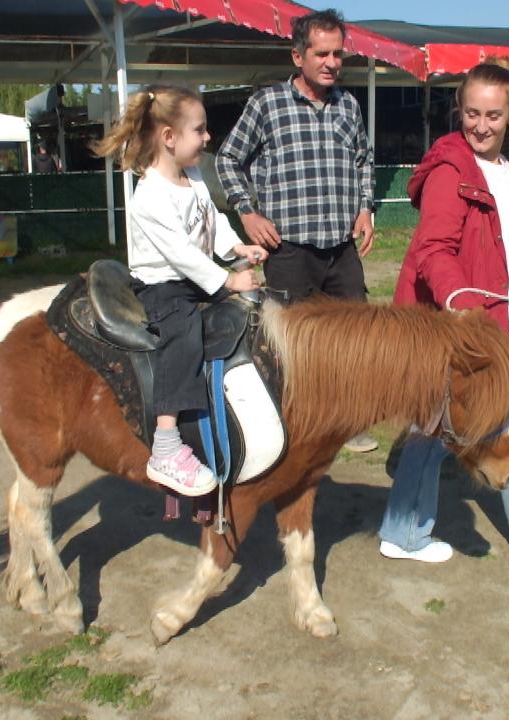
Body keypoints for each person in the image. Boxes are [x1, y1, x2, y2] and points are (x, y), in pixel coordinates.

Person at [380, 57, 509, 563]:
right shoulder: (450, 172)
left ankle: (403, 533)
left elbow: (495, 256)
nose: (480, 124)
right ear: (459, 110)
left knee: (432, 432)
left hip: (483, 324)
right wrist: (466, 308)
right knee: (506, 425)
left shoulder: (500, 171)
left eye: (492, 115)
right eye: (471, 113)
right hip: (457, 332)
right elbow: (435, 252)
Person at [216, 8, 379, 454]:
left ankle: (348, 420)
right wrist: (247, 213)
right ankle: (291, 424)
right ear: (297, 56)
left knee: (351, 336)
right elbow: (227, 158)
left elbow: (363, 161)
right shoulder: (266, 104)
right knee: (290, 341)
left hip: (341, 248)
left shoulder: (348, 106)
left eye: (338, 54)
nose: (331, 63)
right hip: (289, 248)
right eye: (321, 53)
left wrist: (366, 208)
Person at [94, 85, 266, 497]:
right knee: (184, 334)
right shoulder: (149, 196)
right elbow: (180, 254)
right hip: (164, 286)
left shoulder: (192, 176)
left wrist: (236, 247)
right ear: (169, 137)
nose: (208, 138)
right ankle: (167, 443)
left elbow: (213, 221)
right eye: (200, 130)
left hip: (194, 278)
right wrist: (228, 280)